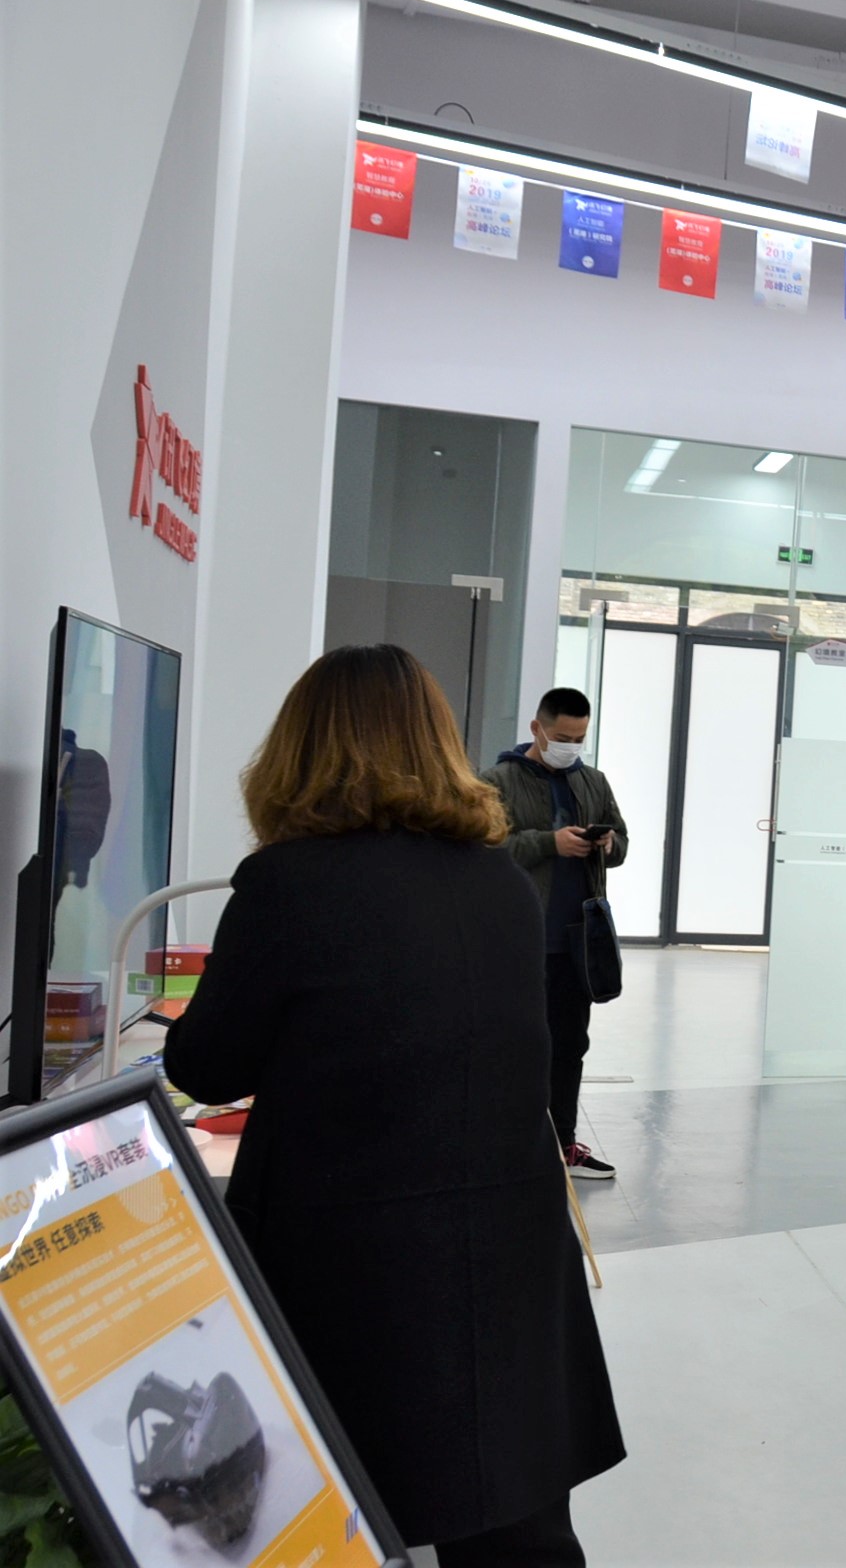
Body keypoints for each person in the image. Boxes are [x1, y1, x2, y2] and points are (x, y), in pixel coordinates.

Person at [164, 646, 623, 1564]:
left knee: (345, 1503)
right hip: (508, 1235)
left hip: (356, 1252)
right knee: (512, 1514)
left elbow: (206, 1065)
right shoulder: (497, 881)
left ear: (298, 748)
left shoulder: (287, 883)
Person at [481, 685, 628, 1180]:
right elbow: (483, 848)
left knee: (569, 1047)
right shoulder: (496, 781)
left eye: (580, 738)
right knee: (516, 1048)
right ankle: (509, 1149)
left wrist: (607, 843)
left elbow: (623, 843)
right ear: (537, 730)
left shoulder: (593, 781)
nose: (571, 747)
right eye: (563, 738)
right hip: (520, 941)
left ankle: (563, 1145)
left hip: (577, 942)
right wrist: (549, 843)